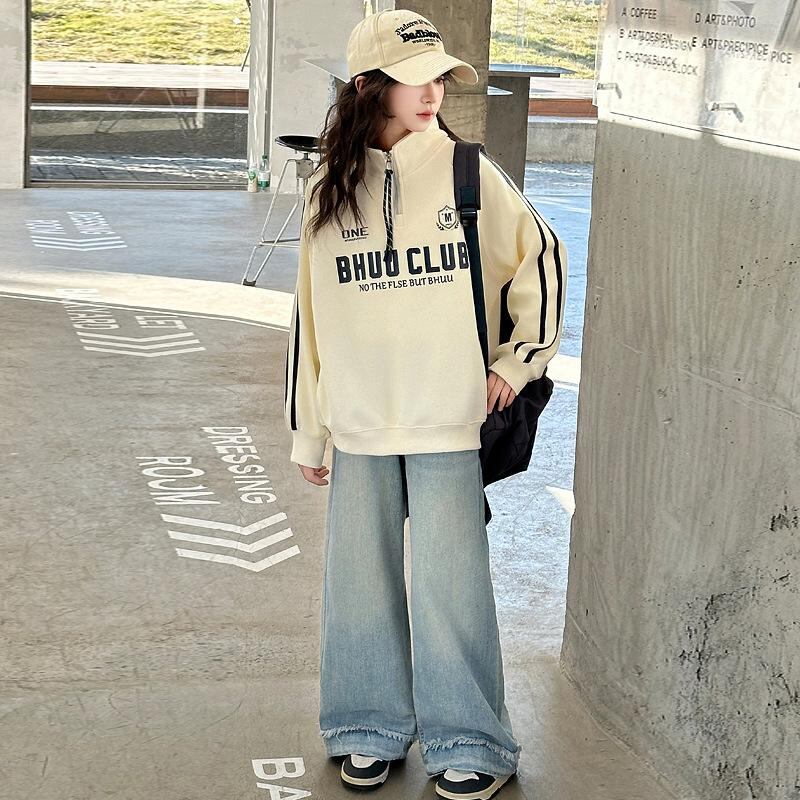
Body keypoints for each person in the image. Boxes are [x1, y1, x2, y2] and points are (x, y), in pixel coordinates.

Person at [283, 9, 568, 799]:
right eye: (415, 79)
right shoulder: (328, 189)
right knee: (359, 586)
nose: (432, 92)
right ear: (368, 85)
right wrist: (310, 431)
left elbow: (541, 258)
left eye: (440, 77)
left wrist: (518, 362)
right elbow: (309, 318)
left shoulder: (468, 170)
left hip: (449, 418)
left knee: (453, 587)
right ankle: (365, 727)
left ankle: (470, 739)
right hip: (360, 420)